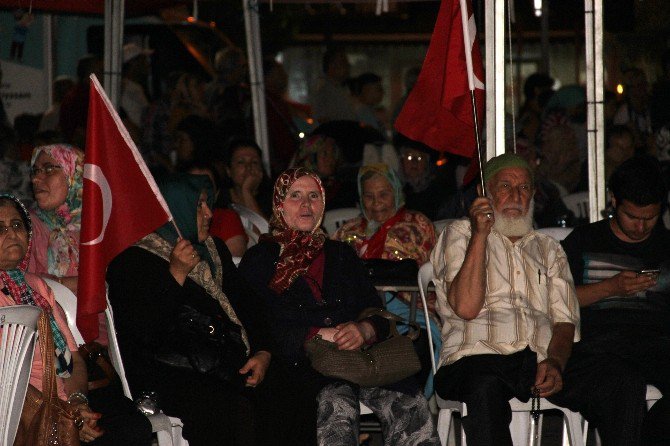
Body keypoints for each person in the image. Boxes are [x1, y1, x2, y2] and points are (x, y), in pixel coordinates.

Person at [431, 153, 647, 446]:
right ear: (484, 192)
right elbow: (466, 308)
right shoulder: (460, 233)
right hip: (476, 357)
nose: (515, 196)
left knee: (622, 379)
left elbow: (564, 321)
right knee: (483, 385)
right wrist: (480, 236)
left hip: (540, 360)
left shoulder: (549, 248)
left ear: (533, 194)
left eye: (523, 188)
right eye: (505, 186)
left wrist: (556, 363)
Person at [238, 167, 438, 446]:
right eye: (296, 196)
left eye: (313, 196)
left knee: (410, 402)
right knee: (337, 403)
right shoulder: (261, 259)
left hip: (360, 360)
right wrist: (316, 334)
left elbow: (373, 307)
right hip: (303, 367)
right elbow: (259, 321)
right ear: (280, 204)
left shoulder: (341, 253)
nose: (306, 205)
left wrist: (364, 329)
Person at [106, 173, 273, 446]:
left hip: (220, 359)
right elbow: (144, 331)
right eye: (199, 206)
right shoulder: (132, 260)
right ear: (172, 210)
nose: (209, 213)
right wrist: (175, 274)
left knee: (282, 390)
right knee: (228, 409)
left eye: (208, 204)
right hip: (168, 371)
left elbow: (247, 303)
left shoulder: (212, 249)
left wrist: (263, 351)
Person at [0, 194, 152, 445]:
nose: (12, 233)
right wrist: (65, 414)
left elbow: (73, 357)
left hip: (65, 397)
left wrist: (78, 402)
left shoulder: (37, 287)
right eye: (1, 228)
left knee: (131, 425)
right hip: (19, 409)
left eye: (17, 225)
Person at [561, 155, 670, 445]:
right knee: (622, 386)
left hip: (655, 344)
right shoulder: (584, 241)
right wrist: (609, 288)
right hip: (598, 348)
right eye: (632, 217)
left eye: (650, 218)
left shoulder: (665, 246)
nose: (640, 227)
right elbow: (553, 300)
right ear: (613, 201)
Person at [333, 163, 439, 391]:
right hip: (359, 317)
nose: (376, 202)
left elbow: (437, 274)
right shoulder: (347, 232)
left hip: (412, 316)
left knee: (415, 346)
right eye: (369, 196)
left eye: (384, 194)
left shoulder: (418, 226)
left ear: (396, 191)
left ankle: (408, 411)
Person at [293, 134, 356, 210]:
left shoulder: (344, 188)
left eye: (333, 153)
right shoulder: (298, 191)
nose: (330, 159)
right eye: (325, 154)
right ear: (311, 158)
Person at [221, 137, 273, 220]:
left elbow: (266, 231)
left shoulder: (274, 200)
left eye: (254, 162)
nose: (248, 167)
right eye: (241, 162)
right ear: (229, 170)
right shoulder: (220, 200)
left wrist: (247, 192)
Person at [311, 48, 356, 123]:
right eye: (343, 62)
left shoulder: (343, 89)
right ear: (331, 66)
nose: (348, 66)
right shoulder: (324, 90)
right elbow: (322, 119)